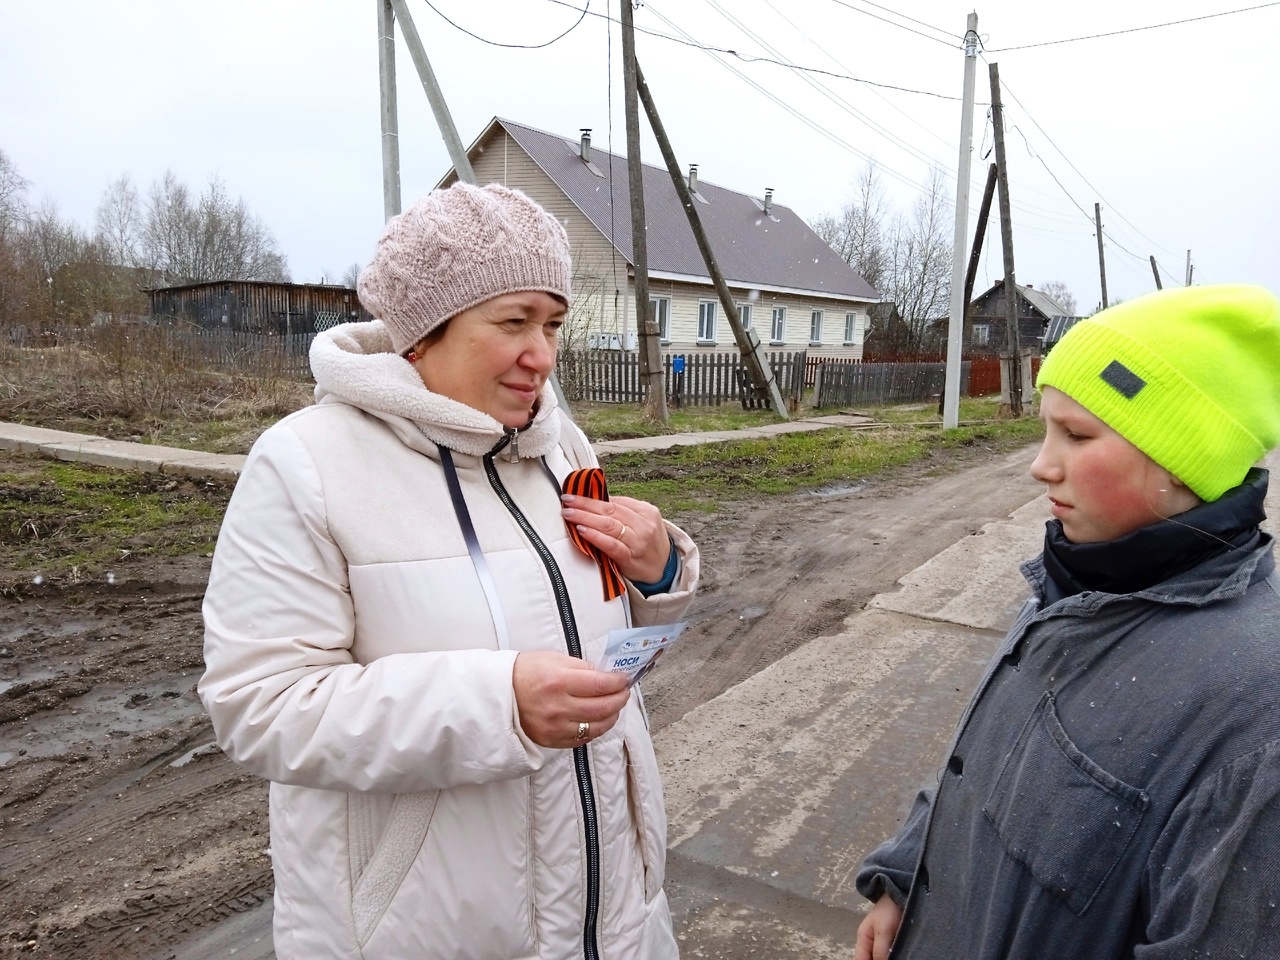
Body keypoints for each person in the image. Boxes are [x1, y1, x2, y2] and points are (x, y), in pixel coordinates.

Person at [200, 182, 700, 960]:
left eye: (553, 324)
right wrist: (496, 702)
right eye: (513, 323)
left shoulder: (560, 448)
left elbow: (594, 629)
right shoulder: (307, 465)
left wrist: (656, 575)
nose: (543, 354)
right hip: (430, 932)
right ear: (422, 335)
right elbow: (259, 705)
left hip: (615, 922)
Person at [853, 284, 1280, 960]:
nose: (1040, 465)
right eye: (1047, 429)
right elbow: (981, 759)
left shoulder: (1255, 717)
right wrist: (905, 878)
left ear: (1185, 458)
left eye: (1078, 435)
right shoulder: (1078, 580)